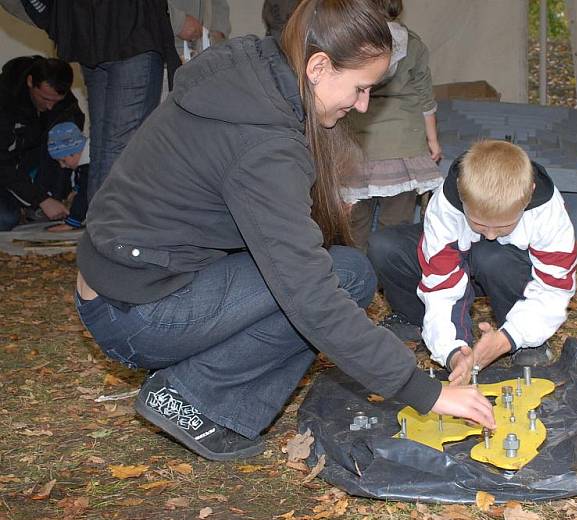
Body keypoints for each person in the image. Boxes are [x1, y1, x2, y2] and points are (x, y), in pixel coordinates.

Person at [74, 0, 495, 462]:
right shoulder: (264, 147)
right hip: (134, 314)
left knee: (346, 268)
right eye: (359, 88)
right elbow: (308, 293)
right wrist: (425, 392)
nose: (362, 104)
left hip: (126, 283)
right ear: (318, 66)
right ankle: (192, 396)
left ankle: (194, 381)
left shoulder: (253, 70)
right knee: (340, 279)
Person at [368, 140, 577, 384]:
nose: (489, 234)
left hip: (506, 268)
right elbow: (441, 283)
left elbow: (554, 287)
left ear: (529, 193)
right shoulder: (446, 203)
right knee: (384, 246)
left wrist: (510, 336)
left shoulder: (548, 211)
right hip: (459, 263)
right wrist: (453, 352)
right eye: (479, 223)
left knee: (490, 253)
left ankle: (527, 342)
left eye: (503, 226)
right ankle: (414, 318)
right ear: (461, 190)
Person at [22, 0, 181, 202]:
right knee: (122, 153)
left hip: (88, 33)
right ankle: (114, 231)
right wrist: (179, 19)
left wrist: (58, 18)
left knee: (103, 151)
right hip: (133, 30)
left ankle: (101, 229)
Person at [342, 0, 443, 250]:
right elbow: (425, 98)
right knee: (395, 226)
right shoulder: (414, 44)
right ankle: (386, 281)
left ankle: (358, 281)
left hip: (358, 143)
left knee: (355, 224)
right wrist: (432, 140)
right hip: (403, 148)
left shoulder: (350, 41)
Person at [0, 56, 84, 231]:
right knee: (5, 218)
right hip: (5, 168)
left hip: (22, 171)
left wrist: (72, 190)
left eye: (57, 101)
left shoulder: (67, 108)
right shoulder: (4, 101)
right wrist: (41, 199)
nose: (51, 106)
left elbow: (70, 154)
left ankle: (34, 205)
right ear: (30, 82)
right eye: (45, 98)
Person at [46, 122, 89, 232]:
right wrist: (75, 191)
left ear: (74, 152)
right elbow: (81, 182)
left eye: (63, 160)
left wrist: (72, 223)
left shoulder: (89, 166)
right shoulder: (83, 162)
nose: (62, 165)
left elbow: (86, 193)